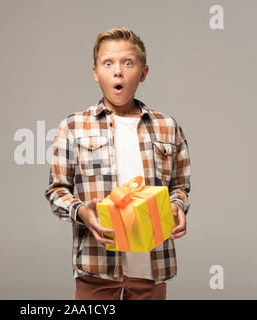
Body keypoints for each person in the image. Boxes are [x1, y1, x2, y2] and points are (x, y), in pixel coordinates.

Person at [44, 27, 191, 300]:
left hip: (152, 268)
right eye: (107, 63)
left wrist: (176, 206)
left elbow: (180, 186)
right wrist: (82, 212)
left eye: (128, 63)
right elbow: (56, 191)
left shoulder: (167, 127)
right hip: (96, 268)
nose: (118, 71)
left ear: (143, 73)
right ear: (95, 72)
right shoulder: (74, 126)